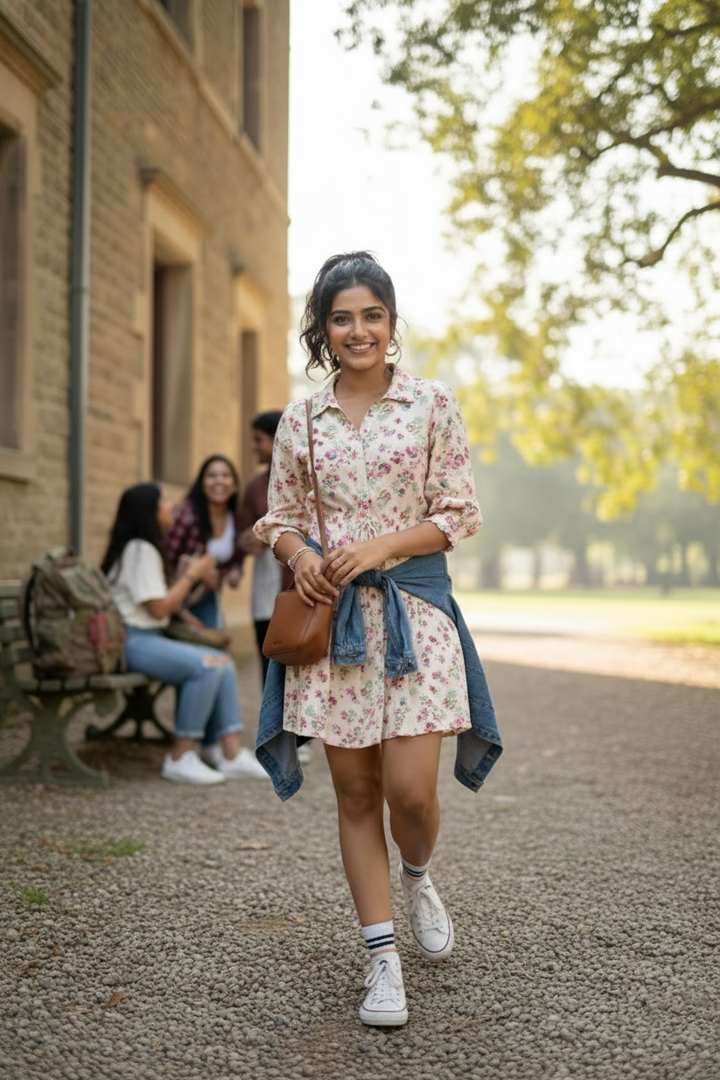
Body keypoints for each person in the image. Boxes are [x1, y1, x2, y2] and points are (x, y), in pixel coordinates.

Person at [253, 253, 502, 1027]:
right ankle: (382, 961)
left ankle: (419, 873)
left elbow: (458, 513)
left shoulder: (432, 404)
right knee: (355, 793)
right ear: (323, 329)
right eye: (342, 317)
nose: (358, 330)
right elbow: (278, 517)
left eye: (371, 314)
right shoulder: (300, 419)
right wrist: (300, 555)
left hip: (413, 621)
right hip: (334, 631)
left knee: (410, 792)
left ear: (392, 323)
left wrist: (382, 547)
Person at [101, 482, 268, 783]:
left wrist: (182, 577)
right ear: (148, 511)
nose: (171, 506)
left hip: (147, 637)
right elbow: (158, 609)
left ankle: (229, 753)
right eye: (163, 501)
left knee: (221, 660)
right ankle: (180, 756)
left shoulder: (146, 548)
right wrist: (192, 575)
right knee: (205, 667)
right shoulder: (139, 549)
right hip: (133, 641)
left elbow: (158, 603)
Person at [238, 412, 314, 765]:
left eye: (259, 440)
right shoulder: (254, 487)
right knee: (266, 655)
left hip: (296, 582)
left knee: (300, 654)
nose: (254, 447)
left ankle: (304, 735)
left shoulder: (308, 478)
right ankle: (274, 732)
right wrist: (248, 544)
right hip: (263, 587)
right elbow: (242, 532)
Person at [165, 455, 245, 630]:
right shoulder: (186, 515)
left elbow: (234, 560)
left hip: (207, 597)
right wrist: (181, 612)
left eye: (225, 475)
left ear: (234, 485)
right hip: (175, 597)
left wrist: (232, 573)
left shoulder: (235, 519)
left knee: (218, 648)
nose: (219, 481)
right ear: (201, 484)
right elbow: (165, 560)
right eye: (211, 476)